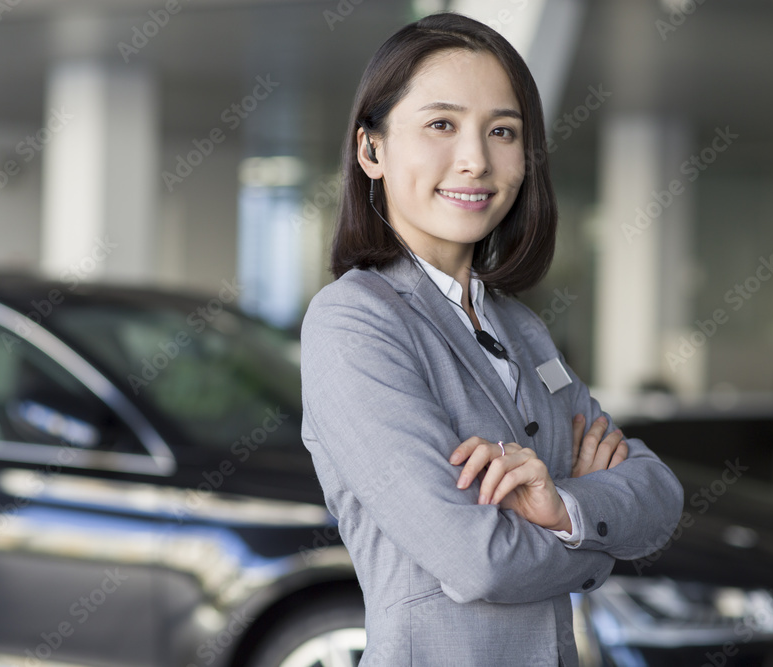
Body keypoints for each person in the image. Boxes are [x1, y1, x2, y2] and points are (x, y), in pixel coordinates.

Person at [299, 12, 684, 667]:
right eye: (441, 124)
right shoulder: (354, 323)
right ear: (372, 150)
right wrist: (594, 534)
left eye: (502, 131)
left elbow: (660, 493)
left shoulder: (521, 327)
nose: (476, 159)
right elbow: (478, 560)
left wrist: (559, 503)